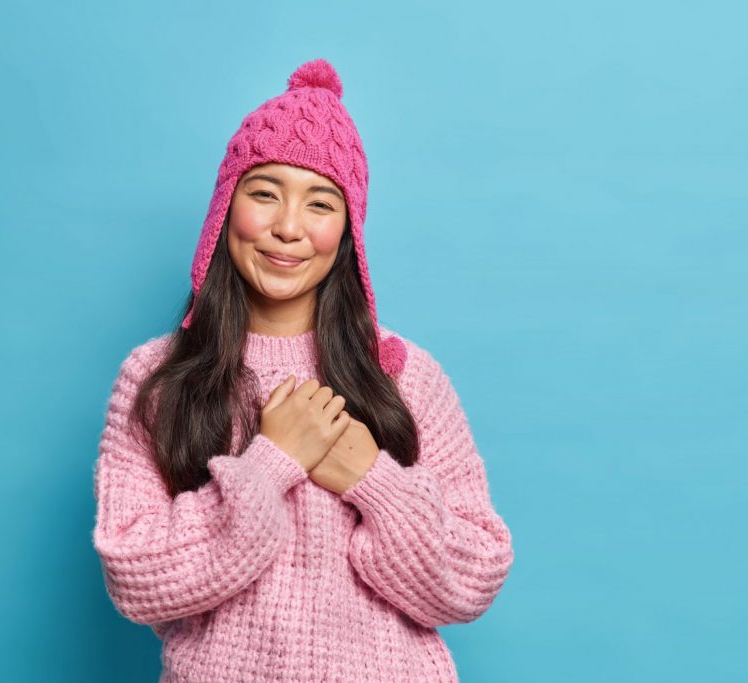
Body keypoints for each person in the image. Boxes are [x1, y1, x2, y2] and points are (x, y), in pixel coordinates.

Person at [92, 58, 514, 683]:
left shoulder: (403, 376)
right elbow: (134, 574)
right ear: (223, 211)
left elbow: (471, 580)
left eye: (320, 203)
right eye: (264, 194)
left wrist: (373, 480)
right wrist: (270, 465)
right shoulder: (158, 375)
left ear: (347, 234)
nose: (288, 228)